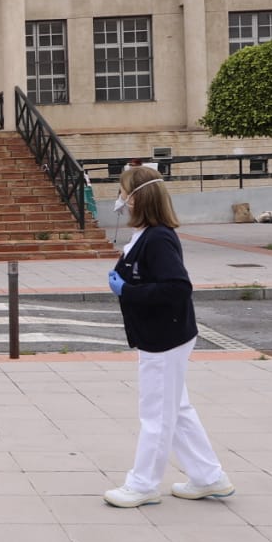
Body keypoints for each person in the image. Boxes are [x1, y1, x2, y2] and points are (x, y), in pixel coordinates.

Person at [102, 174, 231, 509]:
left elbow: (177, 287)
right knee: (177, 409)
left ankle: (143, 484)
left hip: (164, 337)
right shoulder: (146, 235)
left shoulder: (157, 238)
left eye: (124, 193)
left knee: (156, 413)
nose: (120, 198)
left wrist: (127, 290)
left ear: (139, 198)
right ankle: (208, 476)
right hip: (161, 334)